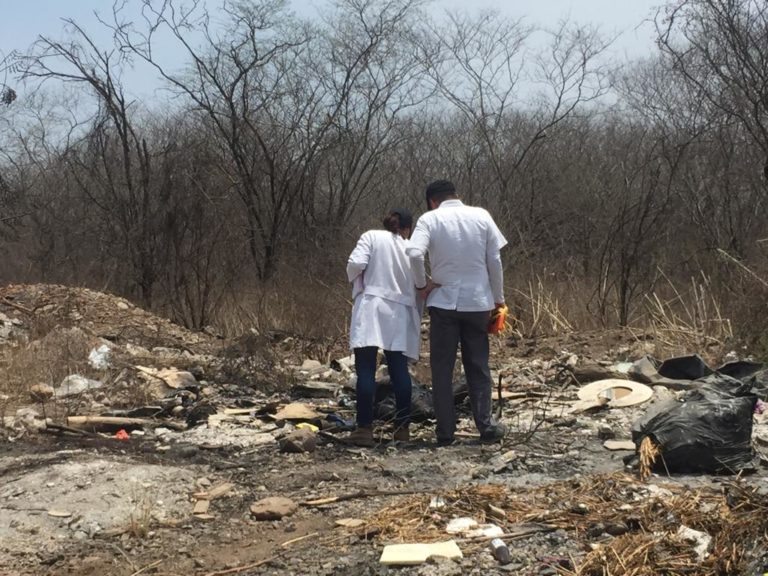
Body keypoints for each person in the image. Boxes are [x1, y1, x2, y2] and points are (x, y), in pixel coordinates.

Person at [407, 180, 507, 445]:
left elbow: (415, 254)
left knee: (442, 368)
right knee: (478, 365)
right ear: (456, 195)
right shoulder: (482, 216)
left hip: (444, 302)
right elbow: (495, 261)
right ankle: (486, 427)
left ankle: (445, 432)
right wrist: (498, 299)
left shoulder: (430, 219)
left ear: (432, 200)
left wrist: (422, 285)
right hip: (478, 302)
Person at [346, 208, 420, 447]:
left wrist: (359, 277)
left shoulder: (371, 236)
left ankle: (364, 428)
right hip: (399, 312)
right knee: (399, 371)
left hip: (372, 306)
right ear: (408, 228)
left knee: (366, 370)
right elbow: (419, 282)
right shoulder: (411, 248)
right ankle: (402, 428)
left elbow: (355, 263)